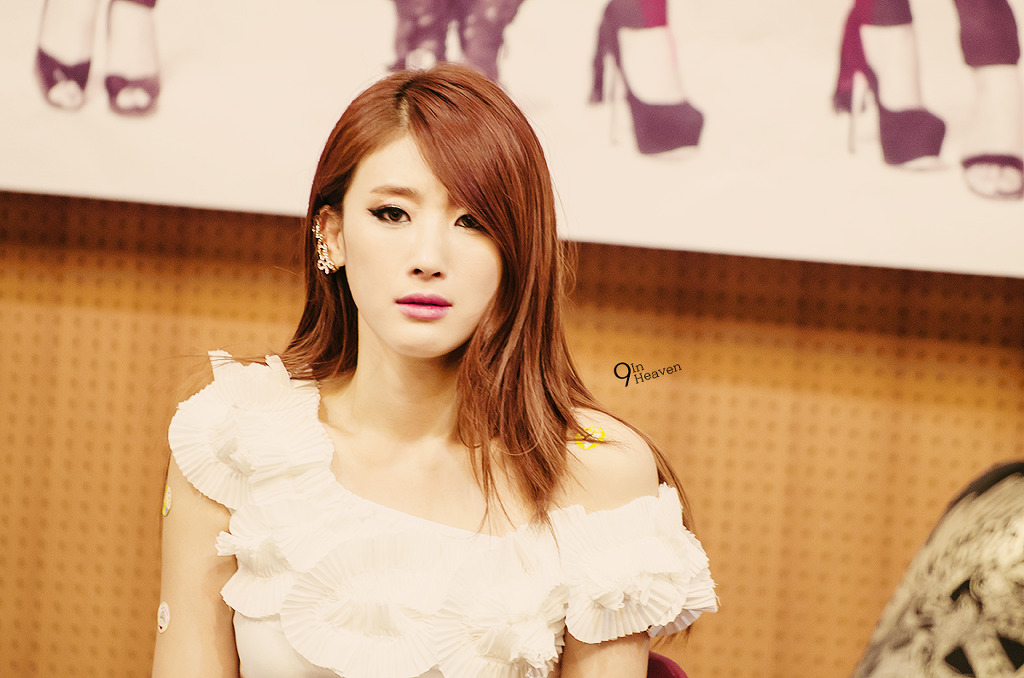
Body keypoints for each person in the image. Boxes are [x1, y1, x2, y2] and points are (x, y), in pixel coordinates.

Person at [151, 63, 717, 678]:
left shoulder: (598, 474)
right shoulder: (234, 440)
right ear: (332, 235)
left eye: (472, 221)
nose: (428, 258)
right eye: (393, 213)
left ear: (518, 253)